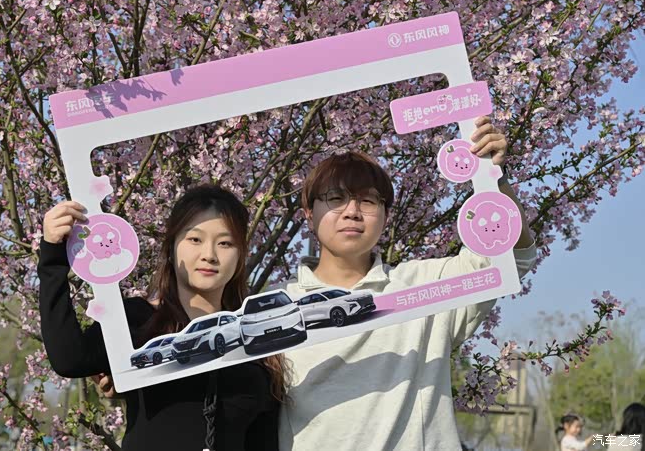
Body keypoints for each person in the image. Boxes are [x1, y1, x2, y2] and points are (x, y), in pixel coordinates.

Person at [270, 116, 538, 450]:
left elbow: (509, 257)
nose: (352, 211)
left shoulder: (423, 286)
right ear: (309, 213)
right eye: (335, 199)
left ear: (385, 215)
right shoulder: (274, 307)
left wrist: (491, 175)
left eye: (368, 201)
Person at [38, 184, 289, 451]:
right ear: (171, 246)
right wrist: (53, 257)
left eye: (225, 243)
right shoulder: (139, 319)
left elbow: (263, 440)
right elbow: (70, 359)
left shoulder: (255, 339)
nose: (209, 255)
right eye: (195, 239)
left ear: (240, 255)